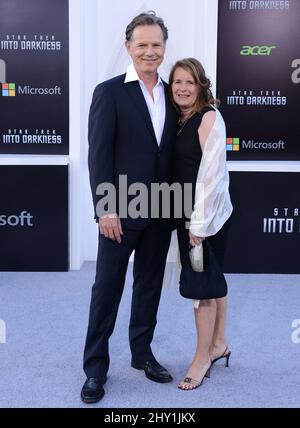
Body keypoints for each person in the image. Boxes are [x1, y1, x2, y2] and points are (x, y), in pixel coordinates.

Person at [81, 11, 178, 403]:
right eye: (142, 45)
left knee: (150, 286)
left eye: (157, 45)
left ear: (164, 48)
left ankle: (142, 354)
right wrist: (106, 208)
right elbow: (98, 156)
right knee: (107, 289)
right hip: (119, 211)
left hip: (161, 210)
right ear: (128, 47)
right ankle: (95, 370)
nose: (150, 52)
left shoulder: (173, 92)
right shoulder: (109, 92)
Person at [169, 58, 233, 390]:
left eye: (189, 82)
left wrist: (198, 225)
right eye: (177, 82)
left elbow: (212, 176)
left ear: (201, 86)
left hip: (202, 219)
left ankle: (201, 358)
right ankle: (219, 343)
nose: (182, 88)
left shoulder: (208, 118)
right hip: (189, 214)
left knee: (200, 289)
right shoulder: (182, 119)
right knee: (212, 278)